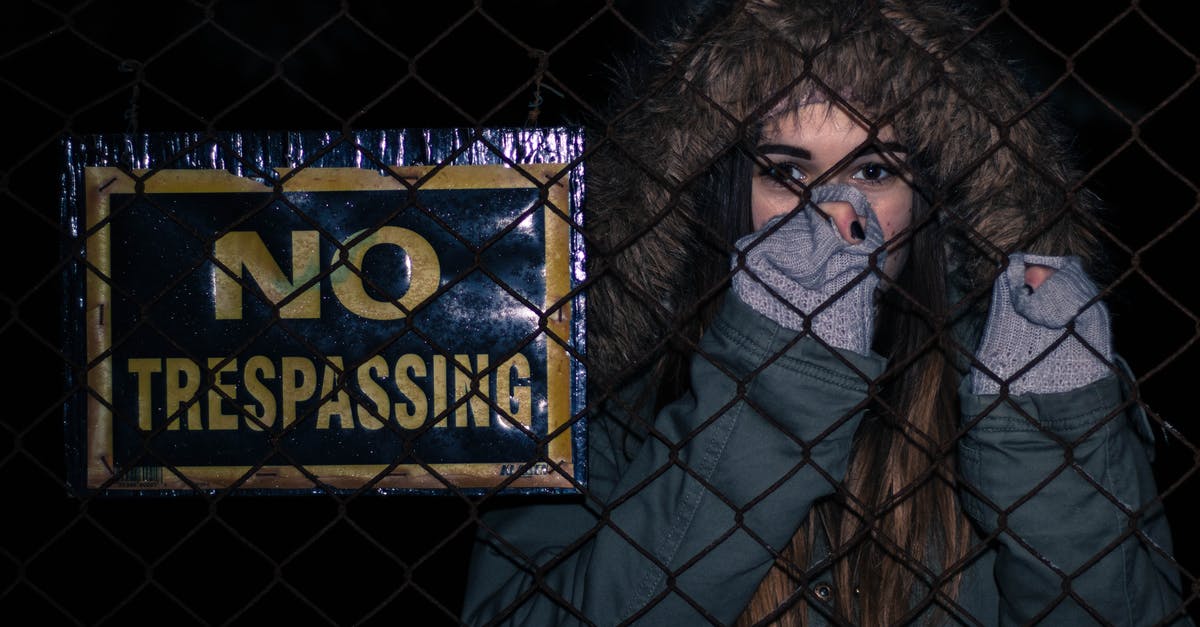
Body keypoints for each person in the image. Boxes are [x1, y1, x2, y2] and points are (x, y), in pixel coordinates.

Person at [461, 0, 1192, 624]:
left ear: (931, 200)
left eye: (873, 172)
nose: (838, 214)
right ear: (718, 195)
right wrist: (772, 381)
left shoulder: (1017, 385)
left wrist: (1046, 442)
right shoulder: (608, 396)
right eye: (787, 173)